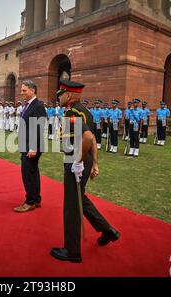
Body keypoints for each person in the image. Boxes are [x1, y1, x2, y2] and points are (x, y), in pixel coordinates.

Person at [50, 79, 120, 263]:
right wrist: (94, 163)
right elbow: (92, 139)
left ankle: (72, 251)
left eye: (61, 94)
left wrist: (78, 162)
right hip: (83, 158)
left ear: (69, 95)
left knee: (72, 205)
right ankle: (107, 230)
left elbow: (88, 138)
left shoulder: (73, 112)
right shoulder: (85, 111)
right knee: (81, 198)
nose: (59, 98)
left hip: (75, 159)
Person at [14, 80, 47, 213]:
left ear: (32, 90)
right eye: (21, 90)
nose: (21, 93)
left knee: (27, 173)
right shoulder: (28, 105)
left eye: (24, 90)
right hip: (27, 143)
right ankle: (36, 199)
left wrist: (33, 147)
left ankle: (30, 201)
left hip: (32, 145)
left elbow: (39, 127)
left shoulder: (37, 105)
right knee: (33, 172)